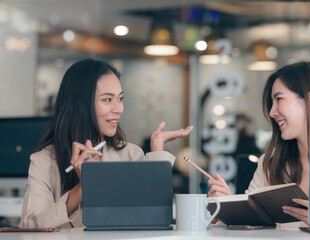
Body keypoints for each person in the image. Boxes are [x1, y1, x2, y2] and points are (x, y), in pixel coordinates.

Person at [20, 59, 193, 228]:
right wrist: (83, 187)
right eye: (108, 100)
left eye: (120, 98)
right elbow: (30, 226)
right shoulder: (43, 161)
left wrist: (157, 154)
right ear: (80, 104)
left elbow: (155, 218)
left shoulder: (131, 154)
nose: (118, 109)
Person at [208, 61, 310, 225]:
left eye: (279, 99)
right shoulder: (270, 164)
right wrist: (226, 206)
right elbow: (246, 224)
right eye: (272, 103)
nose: (272, 112)